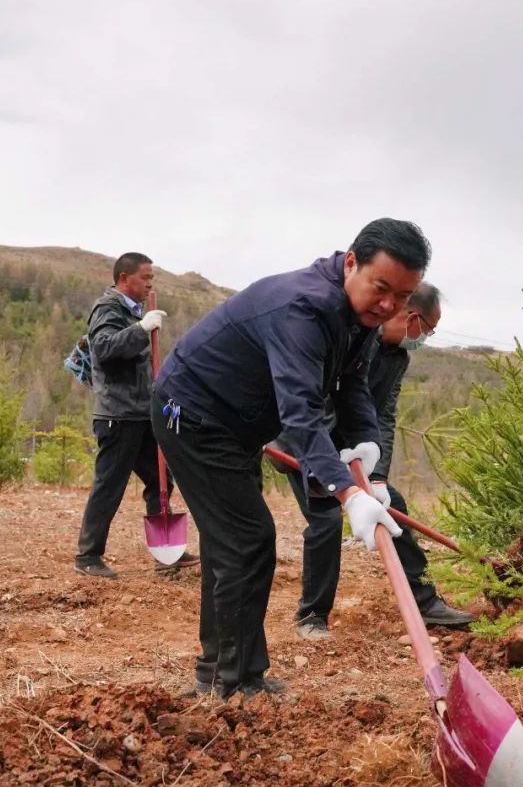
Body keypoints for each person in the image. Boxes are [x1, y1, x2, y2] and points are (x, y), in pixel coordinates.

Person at [152, 218, 430, 699]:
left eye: (402, 298)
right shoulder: (303, 309)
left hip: (235, 425)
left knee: (231, 543)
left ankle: (219, 671)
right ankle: (234, 682)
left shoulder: (360, 318)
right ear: (350, 264)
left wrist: (369, 458)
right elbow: (300, 413)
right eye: (381, 288)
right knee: (247, 539)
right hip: (191, 414)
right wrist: (346, 492)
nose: (389, 305)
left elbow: (353, 389)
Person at [273, 283, 474, 641]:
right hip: (306, 443)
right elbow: (313, 404)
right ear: (412, 317)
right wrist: (337, 468)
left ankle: (425, 601)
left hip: (351, 451)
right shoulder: (352, 339)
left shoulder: (398, 358)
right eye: (427, 329)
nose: (424, 338)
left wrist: (376, 476)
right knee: (325, 519)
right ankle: (312, 616)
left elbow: (383, 416)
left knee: (392, 503)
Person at [75, 252, 198, 579]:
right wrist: (141, 329)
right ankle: (88, 556)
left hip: (141, 413)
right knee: (109, 485)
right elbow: (103, 348)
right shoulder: (108, 309)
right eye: (145, 278)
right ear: (125, 278)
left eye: (151, 279)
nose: (149, 284)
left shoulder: (132, 313)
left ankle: (165, 553)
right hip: (118, 415)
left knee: (161, 480)